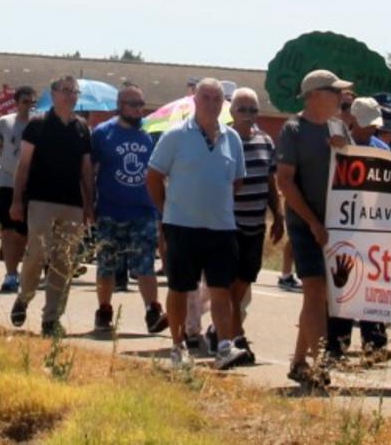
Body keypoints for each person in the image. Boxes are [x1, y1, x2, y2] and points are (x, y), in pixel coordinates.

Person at [147, 78, 250, 368]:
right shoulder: (175, 136)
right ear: (195, 100)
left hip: (221, 228)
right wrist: (167, 210)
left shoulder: (233, 139)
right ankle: (178, 347)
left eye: (217, 99)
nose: (212, 103)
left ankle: (224, 347)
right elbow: (153, 176)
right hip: (181, 227)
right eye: (206, 97)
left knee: (221, 290)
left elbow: (237, 181)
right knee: (179, 289)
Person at [277, 70, 352, 389]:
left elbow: (355, 170)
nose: (341, 97)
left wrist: (343, 150)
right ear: (315, 95)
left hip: (336, 223)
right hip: (304, 222)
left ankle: (298, 361)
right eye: (334, 92)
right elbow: (284, 182)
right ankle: (320, 364)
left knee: (319, 297)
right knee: (315, 291)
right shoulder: (293, 129)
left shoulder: (339, 127)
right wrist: (312, 222)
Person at [9, 76, 94, 337]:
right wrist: (16, 200)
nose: (70, 96)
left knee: (64, 262)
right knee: (37, 253)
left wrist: (89, 205)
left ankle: (51, 319)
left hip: (72, 204)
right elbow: (23, 165)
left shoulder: (82, 128)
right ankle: (24, 297)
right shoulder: (38, 125)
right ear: (54, 94)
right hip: (40, 200)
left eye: (74, 92)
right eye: (65, 91)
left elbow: (86, 170)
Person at [85, 84, 165, 334]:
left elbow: (159, 173)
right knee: (107, 265)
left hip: (143, 210)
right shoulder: (103, 133)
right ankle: (104, 310)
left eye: (141, 104)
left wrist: (162, 207)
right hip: (110, 210)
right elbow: (89, 170)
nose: (139, 109)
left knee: (144, 265)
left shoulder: (150, 135)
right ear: (120, 106)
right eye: (133, 104)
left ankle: (153, 311)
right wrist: (89, 203)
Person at [325, 97, 391, 360]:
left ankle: (374, 343)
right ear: (352, 120)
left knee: (373, 284)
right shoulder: (337, 145)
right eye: (365, 124)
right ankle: (337, 343)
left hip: (374, 227)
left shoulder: (383, 149)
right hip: (345, 227)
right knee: (343, 284)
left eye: (373, 125)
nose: (370, 130)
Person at [225, 86, 281, 368]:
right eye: (242, 109)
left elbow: (271, 183)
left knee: (245, 280)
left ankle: (223, 331)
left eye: (253, 110)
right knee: (232, 284)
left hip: (256, 222)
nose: (248, 115)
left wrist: (278, 216)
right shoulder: (223, 139)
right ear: (232, 111)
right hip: (228, 223)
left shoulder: (265, 141)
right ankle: (236, 337)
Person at [0, 86, 38, 292]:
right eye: (25, 101)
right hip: (7, 182)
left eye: (32, 102)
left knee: (25, 234)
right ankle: (10, 274)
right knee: (8, 231)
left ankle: (26, 273)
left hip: (32, 185)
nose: (28, 106)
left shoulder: (39, 125)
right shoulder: (4, 123)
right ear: (17, 103)